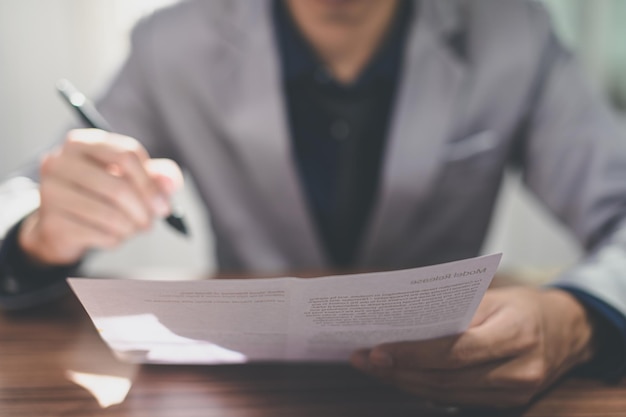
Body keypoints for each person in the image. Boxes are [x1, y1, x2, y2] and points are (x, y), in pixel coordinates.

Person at [1, 0, 625, 408]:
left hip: (448, 384)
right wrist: (43, 230)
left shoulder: (513, 31)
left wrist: (578, 317)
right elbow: (26, 196)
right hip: (238, 390)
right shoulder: (173, 41)